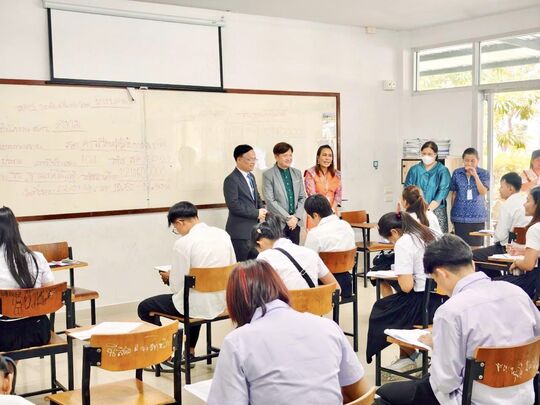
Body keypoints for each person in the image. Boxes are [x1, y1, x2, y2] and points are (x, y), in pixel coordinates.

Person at [377, 234, 540, 405]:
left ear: (441, 274)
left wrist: (439, 345)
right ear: (473, 264)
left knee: (385, 394)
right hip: (524, 396)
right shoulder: (516, 293)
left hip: (472, 399)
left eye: (435, 280)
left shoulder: (451, 311)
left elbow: (446, 383)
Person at [207, 260, 369, 405]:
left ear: (235, 303)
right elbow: (361, 394)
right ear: (280, 287)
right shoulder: (328, 327)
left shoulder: (237, 342)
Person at [137, 201, 236, 362]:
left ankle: (162, 353)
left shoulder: (184, 243)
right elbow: (232, 268)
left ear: (180, 222)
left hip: (196, 304)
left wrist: (169, 278)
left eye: (175, 228)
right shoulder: (223, 235)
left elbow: (177, 287)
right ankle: (189, 351)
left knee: (145, 307)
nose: (178, 232)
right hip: (222, 302)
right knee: (196, 297)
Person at [366, 212, 442, 369]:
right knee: (394, 305)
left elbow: (407, 287)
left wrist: (401, 276)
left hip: (424, 304)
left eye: (390, 240)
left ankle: (413, 356)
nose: (392, 243)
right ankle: (408, 356)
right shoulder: (431, 233)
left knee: (381, 311)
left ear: (394, 232)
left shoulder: (404, 242)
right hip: (442, 298)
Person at [0, 206, 54, 352]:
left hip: (3, 335)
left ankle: (7, 365)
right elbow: (49, 292)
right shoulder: (37, 257)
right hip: (38, 331)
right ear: (16, 229)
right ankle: (9, 365)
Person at [252, 215, 337, 290]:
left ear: (260, 243)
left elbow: (259, 293)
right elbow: (336, 288)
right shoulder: (310, 253)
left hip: (286, 303)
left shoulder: (264, 257)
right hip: (315, 302)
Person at [473, 172, 529, 277]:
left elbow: (500, 236)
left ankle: (496, 280)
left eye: (502, 187)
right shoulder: (526, 200)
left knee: (472, 255)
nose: (499, 190)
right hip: (527, 248)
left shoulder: (508, 205)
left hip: (509, 249)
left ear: (510, 189)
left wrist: (496, 231)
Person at [304, 194, 355, 297]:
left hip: (324, 284)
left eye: (309, 217)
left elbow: (308, 262)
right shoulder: (346, 225)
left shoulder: (314, 234)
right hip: (346, 281)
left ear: (315, 215)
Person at [223, 144, 267, 261]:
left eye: (254, 159)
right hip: (240, 233)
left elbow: (257, 197)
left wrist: (262, 210)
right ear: (238, 159)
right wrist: (256, 213)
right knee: (242, 267)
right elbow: (233, 205)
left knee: (255, 265)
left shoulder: (251, 176)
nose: (253, 162)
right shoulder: (231, 179)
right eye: (249, 159)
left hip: (254, 231)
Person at [496, 186, 540, 299]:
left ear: (537, 204)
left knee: (494, 284)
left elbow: (528, 265)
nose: (524, 204)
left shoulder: (535, 229)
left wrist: (517, 262)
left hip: (535, 283)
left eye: (528, 201)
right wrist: (522, 251)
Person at [262, 142, 307, 245]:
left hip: (295, 223)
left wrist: (296, 217)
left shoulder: (297, 173)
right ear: (276, 157)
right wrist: (288, 218)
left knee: (294, 252)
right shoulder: (268, 174)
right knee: (279, 251)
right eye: (285, 155)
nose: (289, 158)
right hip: (278, 223)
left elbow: (302, 197)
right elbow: (270, 200)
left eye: (290, 155)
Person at [404, 141, 451, 233]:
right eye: (424, 153)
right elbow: (408, 190)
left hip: (437, 210)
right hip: (416, 210)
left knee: (438, 238)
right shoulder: (414, 170)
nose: (426, 156)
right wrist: (418, 211)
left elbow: (442, 192)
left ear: (435, 154)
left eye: (429, 154)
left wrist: (427, 211)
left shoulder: (442, 171)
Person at [450, 148, 490, 248]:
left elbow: (483, 192)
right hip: (459, 216)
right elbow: (453, 193)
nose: (469, 163)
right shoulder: (457, 173)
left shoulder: (484, 173)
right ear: (463, 160)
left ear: (478, 160)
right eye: (467, 160)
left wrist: (475, 176)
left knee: (476, 249)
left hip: (477, 217)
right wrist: (452, 212)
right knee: (460, 248)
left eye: (472, 161)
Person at [304, 145, 342, 229]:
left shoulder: (337, 174)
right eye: (324, 155)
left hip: (332, 213)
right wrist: (324, 213)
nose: (327, 158)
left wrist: (331, 210)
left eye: (330, 155)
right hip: (316, 214)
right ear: (318, 157)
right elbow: (312, 195)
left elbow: (338, 195)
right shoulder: (310, 173)